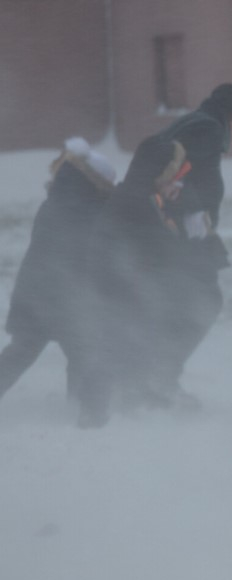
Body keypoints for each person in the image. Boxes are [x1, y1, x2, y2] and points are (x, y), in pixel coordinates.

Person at [149, 82, 232, 406]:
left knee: (179, 303)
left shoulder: (197, 124)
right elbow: (176, 183)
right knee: (202, 302)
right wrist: (195, 223)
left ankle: (151, 377)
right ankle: (158, 379)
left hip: (169, 233)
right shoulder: (208, 130)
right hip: (173, 236)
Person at [74, 135, 190, 428]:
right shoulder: (138, 200)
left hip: (120, 284)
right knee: (113, 344)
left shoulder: (138, 195)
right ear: (159, 171)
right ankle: (94, 410)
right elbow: (164, 248)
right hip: (116, 286)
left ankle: (133, 396)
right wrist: (172, 224)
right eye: (172, 174)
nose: (176, 180)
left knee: (132, 342)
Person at [0, 138, 116, 408]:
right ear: (96, 181)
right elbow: (90, 253)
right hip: (66, 297)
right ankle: (86, 410)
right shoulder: (88, 208)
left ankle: (79, 403)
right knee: (87, 351)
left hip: (35, 291)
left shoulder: (55, 201)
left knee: (22, 351)